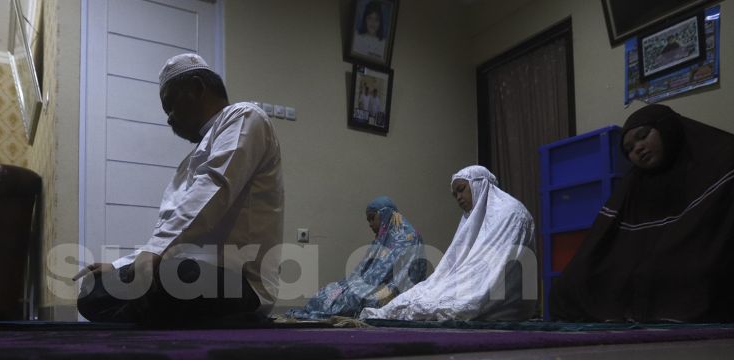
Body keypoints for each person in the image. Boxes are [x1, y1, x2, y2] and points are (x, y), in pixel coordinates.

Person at [75, 53, 284, 325]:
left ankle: (142, 320)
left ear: (197, 88)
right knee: (94, 290)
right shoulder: (189, 161)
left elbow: (214, 189)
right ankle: (153, 317)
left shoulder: (244, 116)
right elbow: (170, 230)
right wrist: (119, 266)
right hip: (182, 272)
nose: (169, 119)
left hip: (239, 281)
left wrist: (152, 255)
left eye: (170, 105)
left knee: (173, 277)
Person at [550, 104, 734, 322]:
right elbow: (604, 239)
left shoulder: (731, 157)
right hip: (648, 261)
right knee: (568, 285)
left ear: (666, 127)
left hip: (706, 255)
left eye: (643, 135)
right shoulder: (636, 183)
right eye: (628, 149)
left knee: (680, 275)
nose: (637, 149)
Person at [360, 166, 536, 321]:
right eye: (455, 194)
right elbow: (454, 264)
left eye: (461, 190)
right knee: (420, 297)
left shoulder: (509, 212)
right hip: (469, 279)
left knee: (452, 303)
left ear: (479, 185)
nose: (458, 197)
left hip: (503, 299)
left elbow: (491, 267)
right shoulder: (470, 219)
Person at [286, 196, 426, 320]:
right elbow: (367, 272)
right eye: (368, 220)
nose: (370, 224)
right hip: (371, 285)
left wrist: (363, 289)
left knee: (350, 300)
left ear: (384, 214)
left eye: (372, 218)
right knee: (327, 292)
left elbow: (401, 278)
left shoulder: (408, 238)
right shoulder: (383, 239)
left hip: (391, 293)